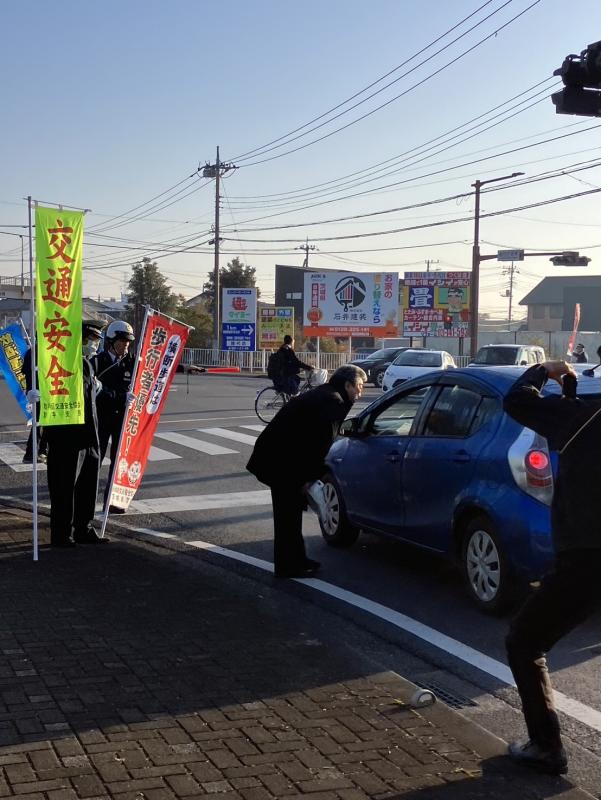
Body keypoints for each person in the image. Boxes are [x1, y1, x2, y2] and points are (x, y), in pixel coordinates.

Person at [503, 359, 601, 775]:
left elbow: (516, 400)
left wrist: (545, 369)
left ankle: (547, 746)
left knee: (525, 643)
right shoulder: (580, 415)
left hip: (588, 556)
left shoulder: (583, 417)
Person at [247, 364, 366, 578]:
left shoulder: (326, 395)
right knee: (287, 515)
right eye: (358, 386)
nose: (360, 391)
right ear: (347, 384)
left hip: (280, 456)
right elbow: (317, 445)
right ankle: (288, 566)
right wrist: (308, 478)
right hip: (281, 460)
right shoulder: (333, 402)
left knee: (290, 513)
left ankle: (297, 559)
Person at [44, 320, 106, 547]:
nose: (94, 345)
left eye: (97, 340)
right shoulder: (61, 361)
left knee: (87, 484)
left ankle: (83, 527)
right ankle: (61, 534)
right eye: (91, 340)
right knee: (64, 486)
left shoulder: (87, 364)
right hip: (66, 435)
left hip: (89, 434)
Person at [90, 320, 135, 513]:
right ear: (110, 340)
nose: (126, 344)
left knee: (120, 460)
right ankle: (87, 501)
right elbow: (92, 390)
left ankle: (114, 500)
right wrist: (118, 397)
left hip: (123, 419)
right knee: (94, 460)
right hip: (100, 418)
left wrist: (185, 367)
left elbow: (155, 370)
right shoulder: (96, 362)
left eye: (128, 341)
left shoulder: (133, 361)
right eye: (122, 340)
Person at [22, 345, 48, 463]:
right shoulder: (36, 351)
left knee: (45, 422)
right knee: (39, 423)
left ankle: (42, 450)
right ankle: (31, 453)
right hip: (38, 392)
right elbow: (27, 370)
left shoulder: (35, 350)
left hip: (40, 391)